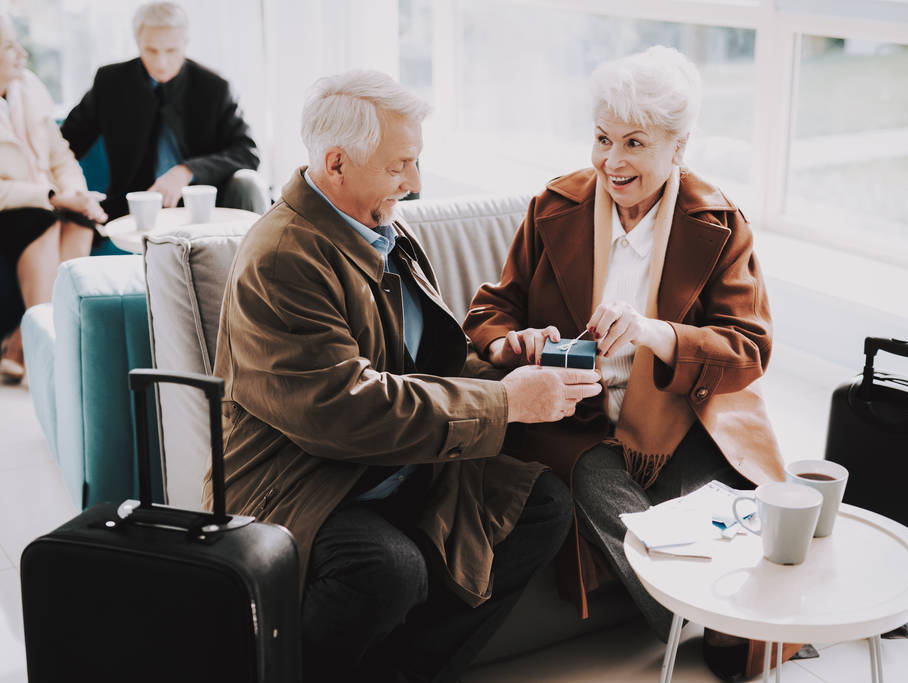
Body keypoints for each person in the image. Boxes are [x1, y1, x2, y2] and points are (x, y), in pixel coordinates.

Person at [204, 69, 603, 683]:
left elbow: (425, 366)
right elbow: (343, 408)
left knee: (541, 504)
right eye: (400, 167)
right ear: (336, 163)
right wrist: (503, 406)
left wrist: (502, 365)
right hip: (300, 481)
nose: (414, 184)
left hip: (390, 464)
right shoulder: (284, 256)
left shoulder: (378, 232)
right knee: (386, 568)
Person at [462, 46, 796, 680]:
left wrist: (656, 334)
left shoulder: (719, 223)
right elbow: (489, 314)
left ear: (679, 147)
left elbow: (749, 348)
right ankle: (686, 622)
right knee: (598, 487)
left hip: (685, 415)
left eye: (635, 143)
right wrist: (513, 342)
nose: (612, 162)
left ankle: (748, 623)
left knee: (733, 512)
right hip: (578, 423)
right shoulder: (553, 208)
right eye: (602, 138)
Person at [0, 10, 107, 382]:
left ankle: (24, 344)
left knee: (81, 222)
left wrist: (76, 193)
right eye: (10, 46)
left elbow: (61, 155)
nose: (21, 54)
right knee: (42, 223)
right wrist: (55, 197)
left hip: (46, 199)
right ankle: (47, 356)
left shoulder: (29, 87)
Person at [61, 1, 264, 221]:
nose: (161, 63)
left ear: (185, 44)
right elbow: (67, 142)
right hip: (133, 206)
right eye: (151, 50)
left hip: (203, 206)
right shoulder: (110, 82)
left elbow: (247, 152)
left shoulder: (214, 87)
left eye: (171, 50)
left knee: (248, 183)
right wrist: (61, 187)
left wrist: (187, 171)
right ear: (138, 43)